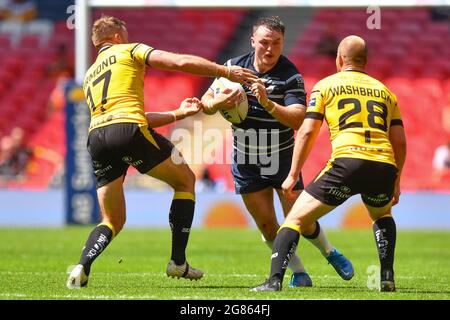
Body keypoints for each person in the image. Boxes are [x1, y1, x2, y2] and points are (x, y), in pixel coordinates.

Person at [66, 16, 257, 289]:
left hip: (97, 137)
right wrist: (226, 72)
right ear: (118, 36)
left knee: (112, 220)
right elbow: (178, 63)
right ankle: (178, 262)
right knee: (185, 180)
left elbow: (129, 117)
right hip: (128, 129)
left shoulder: (89, 75)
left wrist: (179, 113)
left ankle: (81, 267)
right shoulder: (130, 50)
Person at [201, 16, 353, 288]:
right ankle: (300, 273)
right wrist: (220, 101)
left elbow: (298, 118)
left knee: (301, 222)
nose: (270, 49)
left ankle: (329, 252)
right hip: (246, 159)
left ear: (283, 43)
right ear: (252, 42)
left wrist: (268, 103)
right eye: (264, 43)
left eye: (277, 43)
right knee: (268, 226)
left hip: (281, 158)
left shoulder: (290, 75)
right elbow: (206, 103)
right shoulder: (233, 67)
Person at [252, 35, 407, 292]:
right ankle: (387, 277)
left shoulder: (326, 85)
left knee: (295, 219)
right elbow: (400, 141)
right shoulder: (386, 93)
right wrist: (397, 180)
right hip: (383, 166)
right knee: (382, 214)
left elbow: (307, 131)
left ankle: (274, 281)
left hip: (347, 163)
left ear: (339, 59)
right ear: (365, 61)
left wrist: (292, 174)